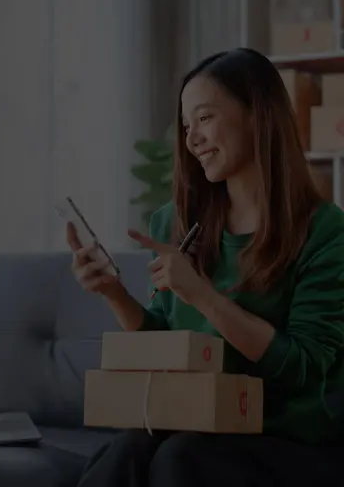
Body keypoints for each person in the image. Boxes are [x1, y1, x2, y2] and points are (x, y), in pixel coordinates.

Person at [68, 47, 344, 487]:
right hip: (200, 425)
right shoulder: (176, 223)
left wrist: (202, 295)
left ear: (257, 113)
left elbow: (303, 369)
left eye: (206, 118)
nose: (192, 138)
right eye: (185, 126)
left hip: (291, 441)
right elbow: (165, 344)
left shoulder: (325, 233)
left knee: (183, 457)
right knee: (128, 451)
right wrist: (113, 292)